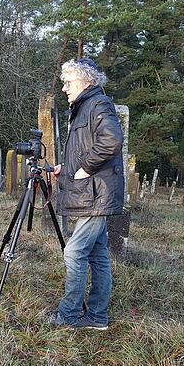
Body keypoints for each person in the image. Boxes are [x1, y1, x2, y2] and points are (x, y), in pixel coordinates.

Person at [48, 58, 125, 330]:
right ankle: (97, 317)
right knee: (98, 255)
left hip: (96, 195)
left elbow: (112, 140)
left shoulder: (97, 104)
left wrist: (84, 168)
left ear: (87, 81)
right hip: (92, 193)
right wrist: (66, 168)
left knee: (74, 252)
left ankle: (68, 316)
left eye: (68, 82)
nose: (65, 88)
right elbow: (86, 147)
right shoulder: (83, 108)